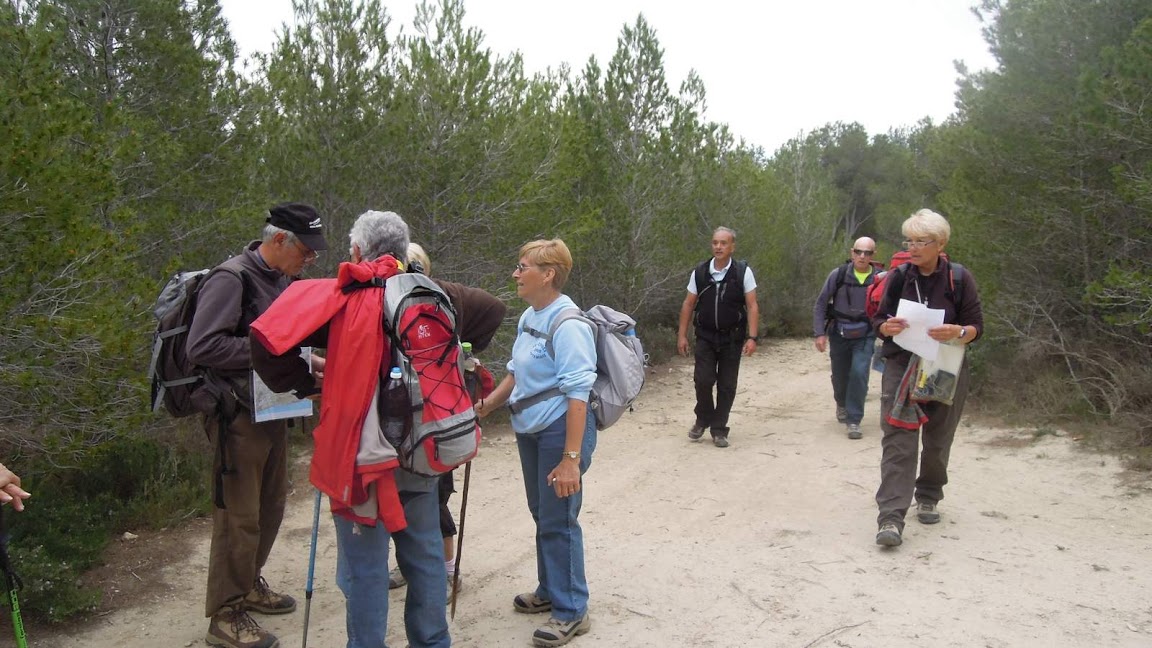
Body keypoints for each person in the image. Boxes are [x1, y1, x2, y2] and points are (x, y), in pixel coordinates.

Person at [249, 211, 505, 648]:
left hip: (360, 456)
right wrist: (451, 355)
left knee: (366, 569)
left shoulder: (338, 296)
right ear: (404, 252)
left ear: (356, 251)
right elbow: (494, 309)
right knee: (424, 556)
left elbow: (266, 341)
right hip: (422, 445)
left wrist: (304, 382)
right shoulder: (433, 292)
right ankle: (431, 641)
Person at [186, 203, 327, 648]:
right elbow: (203, 346)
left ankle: (248, 584)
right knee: (238, 517)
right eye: (306, 251)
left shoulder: (282, 279)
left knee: (270, 507)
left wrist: (311, 360)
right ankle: (225, 615)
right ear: (279, 239)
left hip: (275, 409)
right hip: (237, 416)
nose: (309, 260)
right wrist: (272, 350)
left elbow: (287, 338)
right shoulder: (232, 278)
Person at [475, 239, 596, 648]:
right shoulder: (532, 314)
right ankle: (550, 591)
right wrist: (488, 406)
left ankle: (572, 610)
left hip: (561, 431)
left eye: (521, 266)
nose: (515, 273)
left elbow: (578, 396)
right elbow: (515, 372)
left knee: (559, 518)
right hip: (532, 430)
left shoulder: (569, 324)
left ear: (548, 274)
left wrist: (571, 460)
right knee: (543, 513)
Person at [388, 242, 507, 594]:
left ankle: (447, 574)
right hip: (413, 416)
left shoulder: (435, 299)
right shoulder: (404, 303)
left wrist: (462, 343)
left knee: (434, 497)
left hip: (436, 419)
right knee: (408, 497)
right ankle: (416, 566)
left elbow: (494, 308)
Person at [870, 209, 983, 548]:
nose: (913, 247)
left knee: (937, 440)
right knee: (898, 440)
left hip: (944, 366)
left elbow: (977, 327)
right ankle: (890, 518)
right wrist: (885, 327)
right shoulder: (899, 276)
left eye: (922, 241)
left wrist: (958, 331)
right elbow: (879, 320)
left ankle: (930, 493)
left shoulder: (960, 279)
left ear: (941, 244)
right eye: (910, 240)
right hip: (900, 367)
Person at [676, 227, 760, 448]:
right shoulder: (701, 272)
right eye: (715, 243)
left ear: (732, 246)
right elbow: (688, 303)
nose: (718, 247)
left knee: (727, 385)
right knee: (702, 380)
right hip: (705, 336)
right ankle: (703, 418)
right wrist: (682, 335)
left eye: (723, 243)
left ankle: (719, 428)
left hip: (732, 338)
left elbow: (751, 305)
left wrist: (752, 337)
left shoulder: (742, 272)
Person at [812, 237, 880, 440]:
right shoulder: (838, 275)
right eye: (859, 251)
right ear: (852, 252)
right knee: (840, 375)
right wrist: (819, 333)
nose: (862, 256)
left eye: (867, 253)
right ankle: (841, 403)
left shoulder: (879, 278)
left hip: (866, 334)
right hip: (839, 333)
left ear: (873, 256)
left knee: (859, 373)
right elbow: (821, 304)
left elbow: (887, 307)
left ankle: (854, 420)